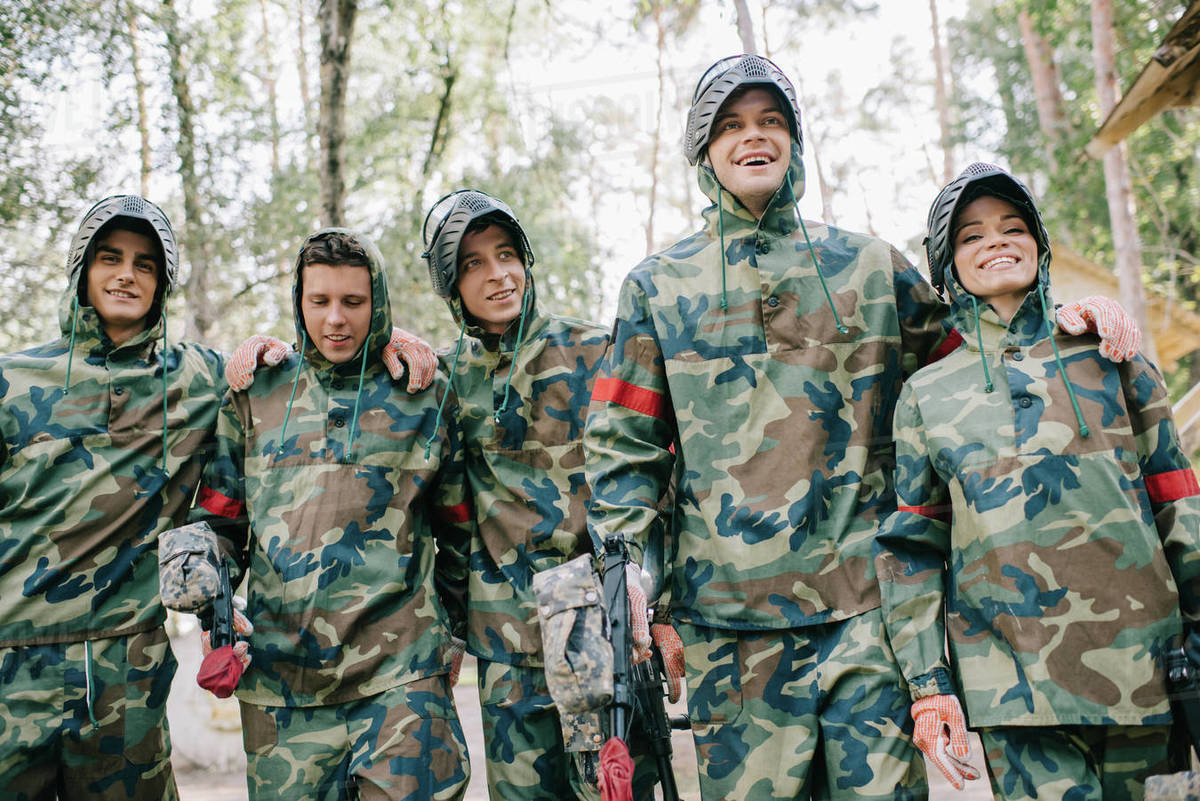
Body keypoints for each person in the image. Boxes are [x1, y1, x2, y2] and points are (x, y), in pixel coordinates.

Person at [581, 54, 1141, 801]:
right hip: (727, 626)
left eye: (772, 121)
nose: (755, 137)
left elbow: (973, 353)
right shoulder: (656, 285)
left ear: (796, 142)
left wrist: (1064, 317)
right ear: (703, 150)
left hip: (865, 618)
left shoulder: (871, 266)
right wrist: (638, 596)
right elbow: (625, 447)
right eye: (733, 125)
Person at [874, 162, 1200, 801]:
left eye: (1012, 226)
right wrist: (929, 685)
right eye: (970, 236)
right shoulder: (925, 395)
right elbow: (911, 548)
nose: (994, 241)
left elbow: (1176, 498)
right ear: (947, 266)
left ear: (1040, 245)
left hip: (1149, 673)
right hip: (1012, 691)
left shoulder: (1111, 353)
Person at [180, 228, 473, 801]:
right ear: (299, 301)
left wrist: (453, 637)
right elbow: (221, 524)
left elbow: (457, 530)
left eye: (354, 302)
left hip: (402, 678)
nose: (336, 319)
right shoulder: (253, 392)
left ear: (379, 303)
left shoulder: (424, 393)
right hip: (283, 688)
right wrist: (212, 605)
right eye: (320, 302)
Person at [420, 190, 654, 801]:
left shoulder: (594, 350)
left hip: (602, 635)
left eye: (505, 255)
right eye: (473, 264)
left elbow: (646, 478)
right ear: (450, 286)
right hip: (506, 644)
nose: (498, 275)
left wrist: (658, 606)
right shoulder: (445, 379)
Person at [0, 195, 224, 800]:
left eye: (145, 264)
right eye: (110, 257)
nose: (126, 273)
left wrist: (393, 341)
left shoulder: (199, 380)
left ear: (163, 283)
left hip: (128, 675)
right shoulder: (12, 382)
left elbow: (310, 364)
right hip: (11, 668)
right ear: (82, 269)